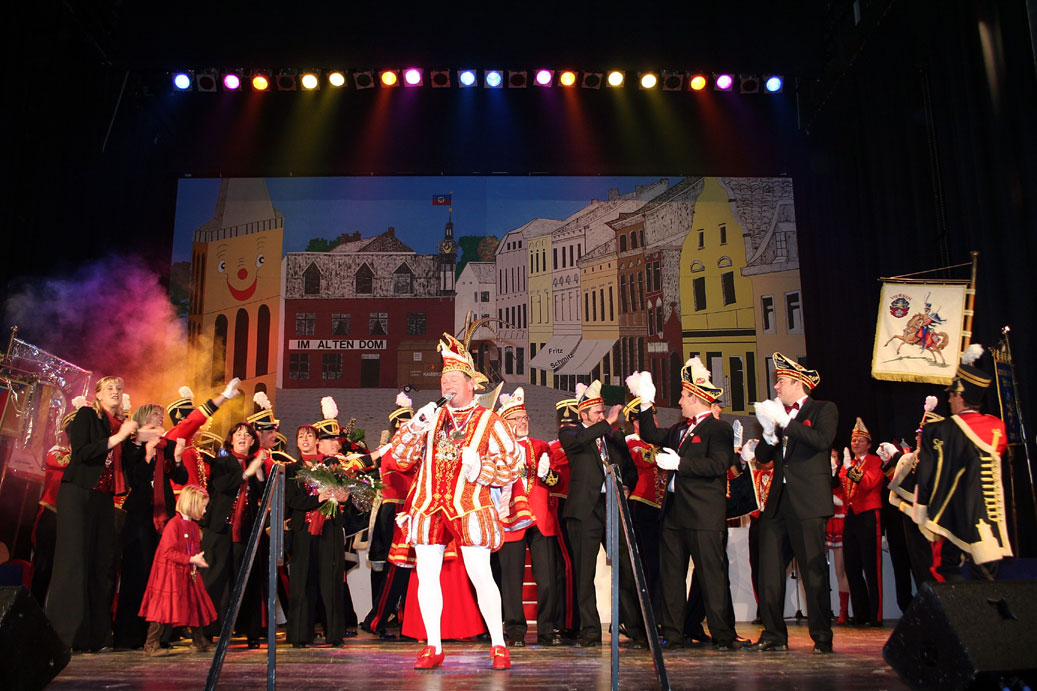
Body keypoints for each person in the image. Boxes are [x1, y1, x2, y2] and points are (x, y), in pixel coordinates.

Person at [388, 333, 523, 670]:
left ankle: (498, 644)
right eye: (442, 379)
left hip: (469, 504)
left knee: (481, 574)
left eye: (452, 379)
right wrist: (415, 428)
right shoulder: (431, 418)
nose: (446, 384)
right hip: (428, 502)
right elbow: (400, 458)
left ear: (470, 384)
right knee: (427, 573)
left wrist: (483, 468)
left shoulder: (489, 421)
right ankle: (433, 645)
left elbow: (512, 465)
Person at [628, 360, 739, 650]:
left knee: (710, 577)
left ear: (695, 398)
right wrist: (645, 400)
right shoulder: (679, 429)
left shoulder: (718, 429)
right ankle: (674, 634)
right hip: (675, 513)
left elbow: (718, 464)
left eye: (682, 397)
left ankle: (723, 636)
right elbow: (650, 435)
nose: (678, 401)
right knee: (671, 577)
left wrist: (682, 463)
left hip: (703, 514)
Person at [46, 376, 160, 652]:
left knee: (101, 565)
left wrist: (145, 443)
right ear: (97, 394)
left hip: (103, 498)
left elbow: (134, 460)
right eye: (109, 388)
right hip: (78, 493)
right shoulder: (87, 416)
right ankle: (64, 636)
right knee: (74, 562)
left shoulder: (121, 426)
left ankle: (96, 636)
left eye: (119, 388)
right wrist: (119, 437)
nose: (116, 392)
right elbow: (82, 453)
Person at [750, 352, 837, 654]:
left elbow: (822, 440)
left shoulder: (823, 409)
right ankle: (774, 633)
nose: (776, 388)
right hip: (779, 503)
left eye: (781, 382)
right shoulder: (780, 416)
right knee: (769, 570)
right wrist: (770, 435)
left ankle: (822, 637)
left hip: (809, 503)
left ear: (798, 383)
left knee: (813, 571)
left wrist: (786, 422)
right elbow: (762, 458)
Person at [558, 379, 646, 650]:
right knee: (585, 574)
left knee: (624, 568)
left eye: (602, 411)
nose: (602, 415)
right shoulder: (571, 433)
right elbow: (585, 438)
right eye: (595, 412)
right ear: (583, 415)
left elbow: (629, 468)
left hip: (612, 507)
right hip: (584, 510)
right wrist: (606, 422)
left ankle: (634, 628)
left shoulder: (614, 436)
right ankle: (590, 630)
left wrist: (627, 484)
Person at [913, 344, 1011, 581]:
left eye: (951, 394)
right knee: (987, 580)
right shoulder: (996, 427)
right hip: (988, 519)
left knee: (946, 575)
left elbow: (926, 474)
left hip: (950, 516)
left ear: (960, 395)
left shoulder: (938, 430)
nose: (949, 399)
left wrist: (922, 511)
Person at [285, 396, 367, 648]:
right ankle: (300, 635)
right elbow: (292, 501)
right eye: (301, 437)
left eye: (310, 437)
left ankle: (334, 634)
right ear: (297, 443)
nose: (306, 440)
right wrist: (318, 498)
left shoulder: (333, 467)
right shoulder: (291, 469)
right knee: (301, 583)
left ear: (318, 442)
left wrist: (343, 497)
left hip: (330, 529)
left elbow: (346, 497)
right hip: (302, 531)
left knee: (331, 583)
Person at [496, 387, 561, 647]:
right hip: (510, 521)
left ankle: (547, 629)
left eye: (525, 418)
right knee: (511, 580)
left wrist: (546, 474)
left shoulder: (541, 446)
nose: (522, 423)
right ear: (505, 423)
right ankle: (515, 631)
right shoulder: (497, 450)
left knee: (546, 580)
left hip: (540, 519)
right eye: (516, 419)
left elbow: (556, 481)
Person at [200, 422, 267, 648]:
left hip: (246, 529)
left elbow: (263, 493)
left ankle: (250, 631)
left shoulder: (256, 464)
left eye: (247, 435)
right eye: (238, 434)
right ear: (231, 439)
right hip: (220, 529)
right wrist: (247, 471)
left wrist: (258, 472)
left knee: (247, 578)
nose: (242, 437)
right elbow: (223, 485)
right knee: (215, 577)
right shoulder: (221, 461)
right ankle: (207, 630)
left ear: (252, 442)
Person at [138, 483, 217, 656]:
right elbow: (167, 552)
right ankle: (151, 644)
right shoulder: (174, 525)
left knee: (195, 602)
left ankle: (198, 640)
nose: (204, 511)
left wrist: (196, 560)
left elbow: (193, 549)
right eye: (203, 507)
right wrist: (191, 559)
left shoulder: (194, 527)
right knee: (163, 607)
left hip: (188, 571)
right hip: (169, 572)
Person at [362, 392, 416, 639]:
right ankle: (377, 620)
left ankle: (407, 620)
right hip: (394, 511)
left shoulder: (415, 449)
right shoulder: (392, 451)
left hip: (413, 511)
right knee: (395, 569)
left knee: (411, 571)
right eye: (403, 426)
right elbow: (403, 466)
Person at [30, 398, 84, 607]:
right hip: (51, 517)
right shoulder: (57, 452)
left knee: (66, 570)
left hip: (73, 519)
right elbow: (64, 464)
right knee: (44, 566)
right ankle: (34, 609)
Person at [838, 418, 884, 626]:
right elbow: (841, 486)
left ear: (869, 444)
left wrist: (849, 470)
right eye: (853, 440)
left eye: (860, 440)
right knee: (852, 566)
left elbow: (867, 483)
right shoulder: (850, 463)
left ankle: (876, 614)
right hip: (851, 515)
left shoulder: (875, 461)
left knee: (871, 567)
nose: (855, 443)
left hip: (868, 514)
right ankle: (860, 613)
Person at [623, 397, 665, 624]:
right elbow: (646, 459)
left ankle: (660, 615)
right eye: (649, 416)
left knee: (662, 565)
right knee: (648, 564)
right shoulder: (631, 443)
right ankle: (647, 619)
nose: (654, 419)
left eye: (655, 415)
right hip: (643, 506)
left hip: (662, 508)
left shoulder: (658, 442)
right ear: (635, 422)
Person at [826, 448, 850, 625]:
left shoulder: (843, 475)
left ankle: (843, 611)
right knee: (817, 567)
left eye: (834, 457)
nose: (832, 460)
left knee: (840, 569)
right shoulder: (819, 475)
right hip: (823, 521)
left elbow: (844, 497)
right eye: (829, 457)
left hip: (839, 521)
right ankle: (823, 609)